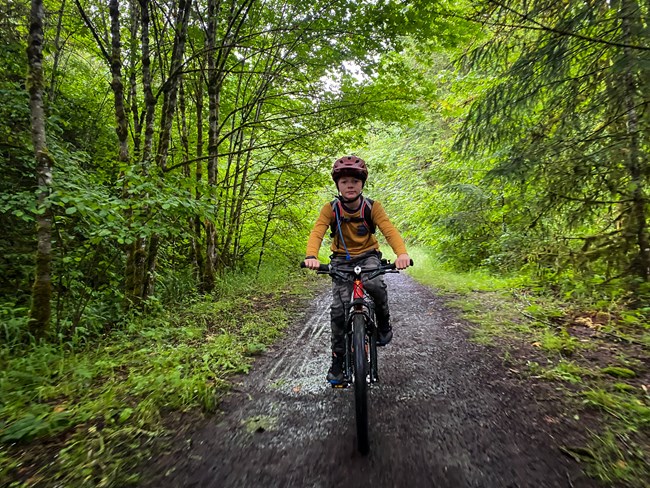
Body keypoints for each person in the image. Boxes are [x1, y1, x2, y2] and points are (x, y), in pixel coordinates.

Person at [304, 155, 411, 385]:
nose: (349, 185)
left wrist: (401, 253)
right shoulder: (330, 209)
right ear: (337, 185)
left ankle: (383, 325)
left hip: (368, 256)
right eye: (344, 182)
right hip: (341, 260)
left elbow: (389, 230)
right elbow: (317, 232)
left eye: (354, 180)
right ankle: (338, 363)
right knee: (338, 312)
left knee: (376, 286)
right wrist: (311, 256)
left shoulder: (372, 207)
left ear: (362, 183)